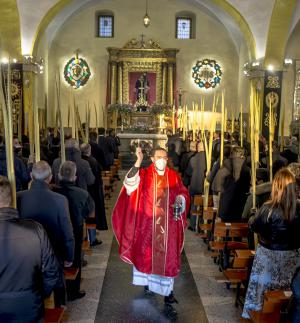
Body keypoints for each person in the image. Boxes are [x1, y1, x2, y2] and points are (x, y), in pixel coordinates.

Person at [112, 147, 190, 318]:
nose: (162, 159)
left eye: (164, 157)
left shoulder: (173, 176)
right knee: (147, 259)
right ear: (152, 159)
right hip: (147, 229)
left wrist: (181, 198)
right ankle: (148, 284)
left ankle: (168, 295)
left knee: (168, 262)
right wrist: (138, 161)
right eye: (158, 157)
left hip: (168, 229)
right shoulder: (145, 174)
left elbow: (183, 192)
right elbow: (129, 184)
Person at [0, 176, 61, 322]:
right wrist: (37, 294)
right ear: (10, 198)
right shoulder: (35, 230)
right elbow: (52, 272)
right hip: (29, 307)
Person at [242, 168, 300, 318]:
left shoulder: (268, 208)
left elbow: (255, 227)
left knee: (262, 290)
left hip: (268, 259)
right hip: (292, 259)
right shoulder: (298, 208)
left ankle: (258, 312)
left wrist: (253, 215)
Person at [17, 160, 74, 306]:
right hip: (54, 254)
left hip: (25, 255)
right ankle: (59, 306)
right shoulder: (60, 200)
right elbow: (67, 232)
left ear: (31, 176)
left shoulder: (19, 197)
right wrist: (69, 256)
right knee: (57, 287)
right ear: (50, 178)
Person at [53, 161, 95, 301]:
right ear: (75, 177)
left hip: (54, 232)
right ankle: (73, 291)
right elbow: (90, 212)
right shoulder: (82, 194)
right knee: (75, 259)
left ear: (59, 175)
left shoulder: (52, 192)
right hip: (74, 232)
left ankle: (58, 294)